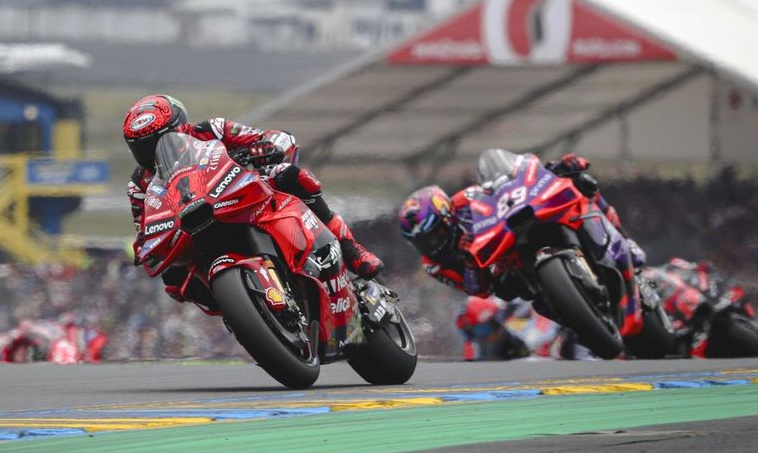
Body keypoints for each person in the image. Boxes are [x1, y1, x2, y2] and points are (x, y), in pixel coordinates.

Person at [122, 94, 383, 301]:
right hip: (194, 225)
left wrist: (267, 147)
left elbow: (273, 138)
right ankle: (238, 311)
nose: (151, 152)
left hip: (242, 193)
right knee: (174, 279)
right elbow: (144, 227)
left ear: (178, 126)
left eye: (158, 141)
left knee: (290, 176)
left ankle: (351, 249)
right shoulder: (138, 184)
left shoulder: (211, 129)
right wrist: (143, 246)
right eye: (141, 147)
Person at [397, 152, 641, 300]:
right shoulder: (433, 265)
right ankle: (570, 312)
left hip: (510, 232)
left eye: (434, 235)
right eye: (422, 243)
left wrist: (551, 169)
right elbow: (478, 292)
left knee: (582, 184)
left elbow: (505, 187)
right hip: (502, 269)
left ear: (447, 217)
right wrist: (471, 263)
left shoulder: (466, 200)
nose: (431, 245)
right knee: (513, 290)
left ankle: (621, 237)